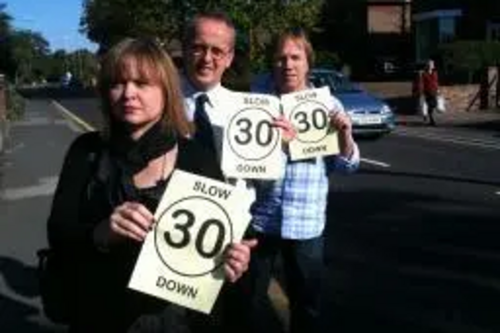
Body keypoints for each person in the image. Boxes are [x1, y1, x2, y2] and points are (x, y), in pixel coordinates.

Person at [46, 38, 256, 333]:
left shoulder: (198, 158)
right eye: (118, 83)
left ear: (166, 91)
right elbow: (59, 233)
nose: (128, 93)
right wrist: (100, 233)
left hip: (179, 323)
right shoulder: (86, 151)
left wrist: (237, 258)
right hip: (99, 316)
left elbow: (229, 239)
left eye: (142, 83)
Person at [244, 28, 360, 333]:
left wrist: (345, 136)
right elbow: (239, 163)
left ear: (308, 62)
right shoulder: (255, 104)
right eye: (281, 57)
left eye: (296, 57)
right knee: (249, 301)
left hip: (306, 223)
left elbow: (348, 166)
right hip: (260, 220)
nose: (288, 64)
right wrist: (273, 145)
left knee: (306, 304)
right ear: (272, 63)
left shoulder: (329, 105)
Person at [418, 59, 440, 126]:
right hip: (427, 92)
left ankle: (429, 117)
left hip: (434, 91)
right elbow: (421, 83)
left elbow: (436, 82)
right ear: (427, 65)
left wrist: (438, 89)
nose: (432, 65)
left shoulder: (435, 72)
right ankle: (432, 120)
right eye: (430, 64)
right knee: (430, 105)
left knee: (434, 105)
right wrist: (421, 92)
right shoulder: (424, 73)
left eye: (432, 64)